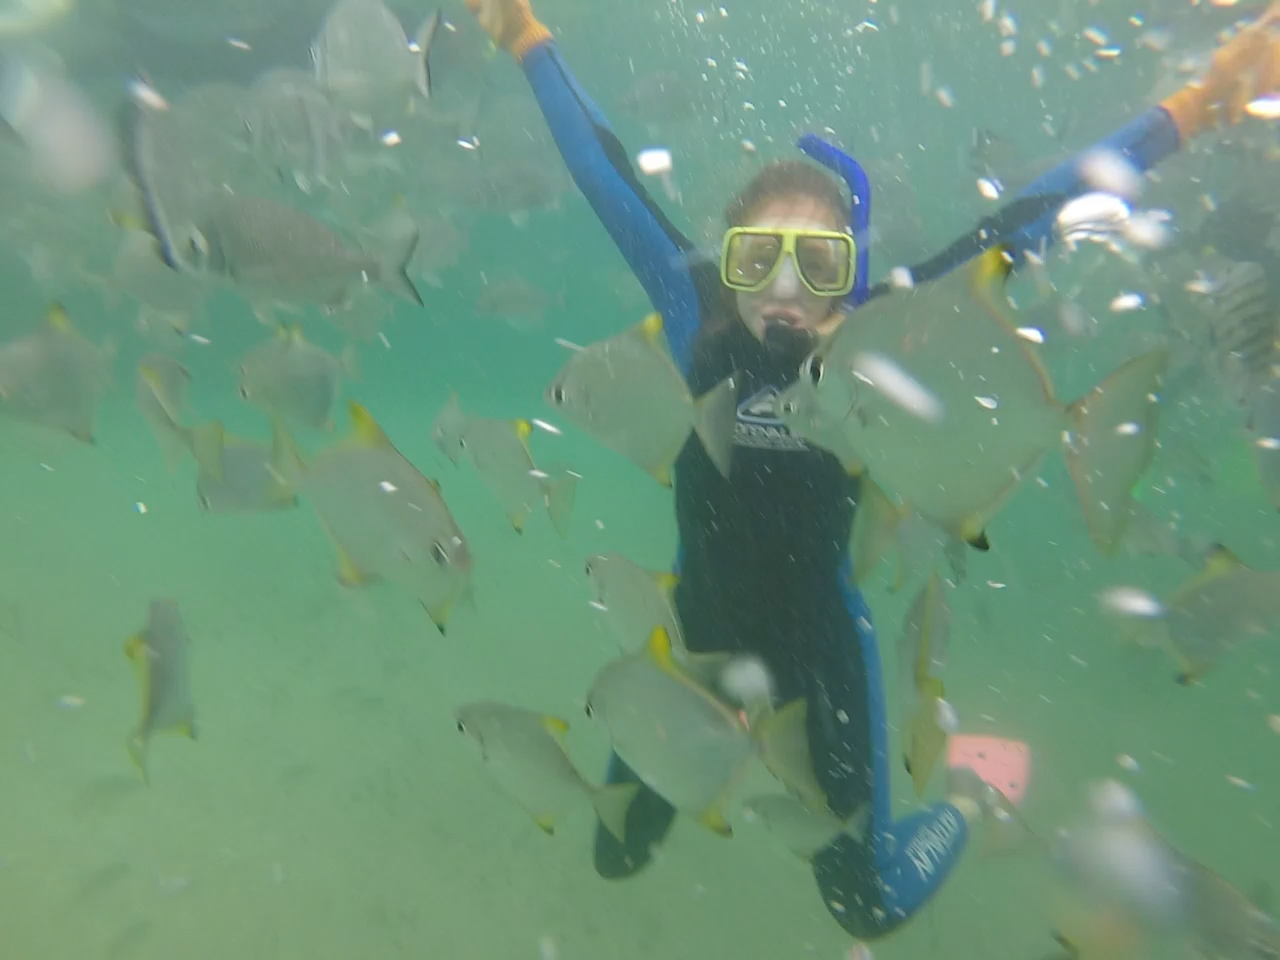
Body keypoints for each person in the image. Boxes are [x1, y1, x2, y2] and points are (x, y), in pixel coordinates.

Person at [465, 0, 1280, 940]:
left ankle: (970, 796)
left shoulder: (879, 334)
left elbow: (1036, 212)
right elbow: (601, 170)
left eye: (817, 265)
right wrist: (526, 36)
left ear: (848, 281)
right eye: (757, 259)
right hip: (693, 634)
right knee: (617, 849)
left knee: (867, 902)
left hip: (822, 645)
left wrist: (1197, 105)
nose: (783, 291)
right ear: (724, 265)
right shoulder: (694, 315)